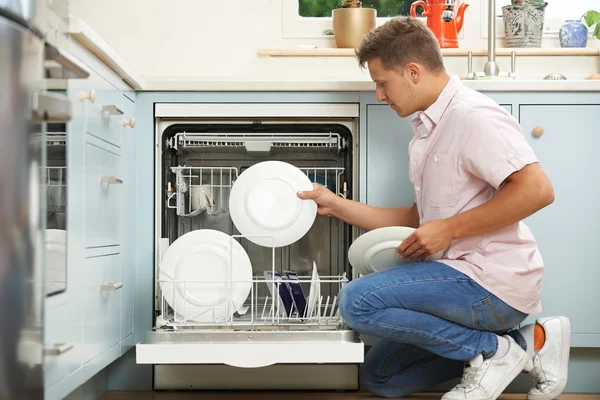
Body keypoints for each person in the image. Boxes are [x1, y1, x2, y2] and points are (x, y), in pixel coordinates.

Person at [297, 16, 570, 400]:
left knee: (356, 301)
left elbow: (538, 190)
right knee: (383, 377)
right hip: (454, 277)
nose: (378, 95)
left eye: (382, 83)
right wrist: (336, 205)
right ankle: (529, 344)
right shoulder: (426, 132)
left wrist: (449, 230)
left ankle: (494, 350)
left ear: (412, 71)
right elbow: (416, 220)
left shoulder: (472, 116)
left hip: (490, 283)